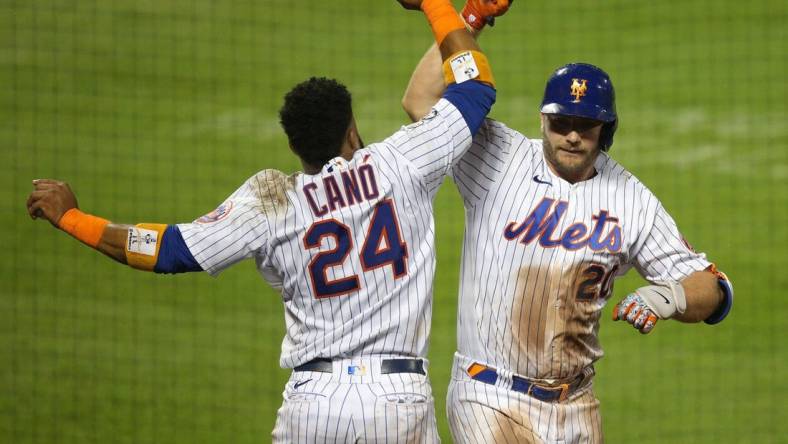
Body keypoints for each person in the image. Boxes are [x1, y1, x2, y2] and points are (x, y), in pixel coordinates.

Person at [26, 1, 498, 441]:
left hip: (314, 404)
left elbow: (169, 250)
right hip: (399, 402)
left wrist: (72, 218)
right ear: (352, 130)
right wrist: (444, 7)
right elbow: (474, 85)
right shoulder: (403, 162)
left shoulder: (270, 199)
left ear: (294, 146)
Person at [401, 2, 734, 442]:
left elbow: (714, 288)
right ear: (543, 119)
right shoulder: (497, 156)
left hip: (578, 406)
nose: (572, 135)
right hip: (489, 397)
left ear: (606, 130)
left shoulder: (631, 200)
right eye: (561, 122)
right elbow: (420, 100)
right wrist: (472, 20)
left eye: (585, 125)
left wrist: (668, 297)